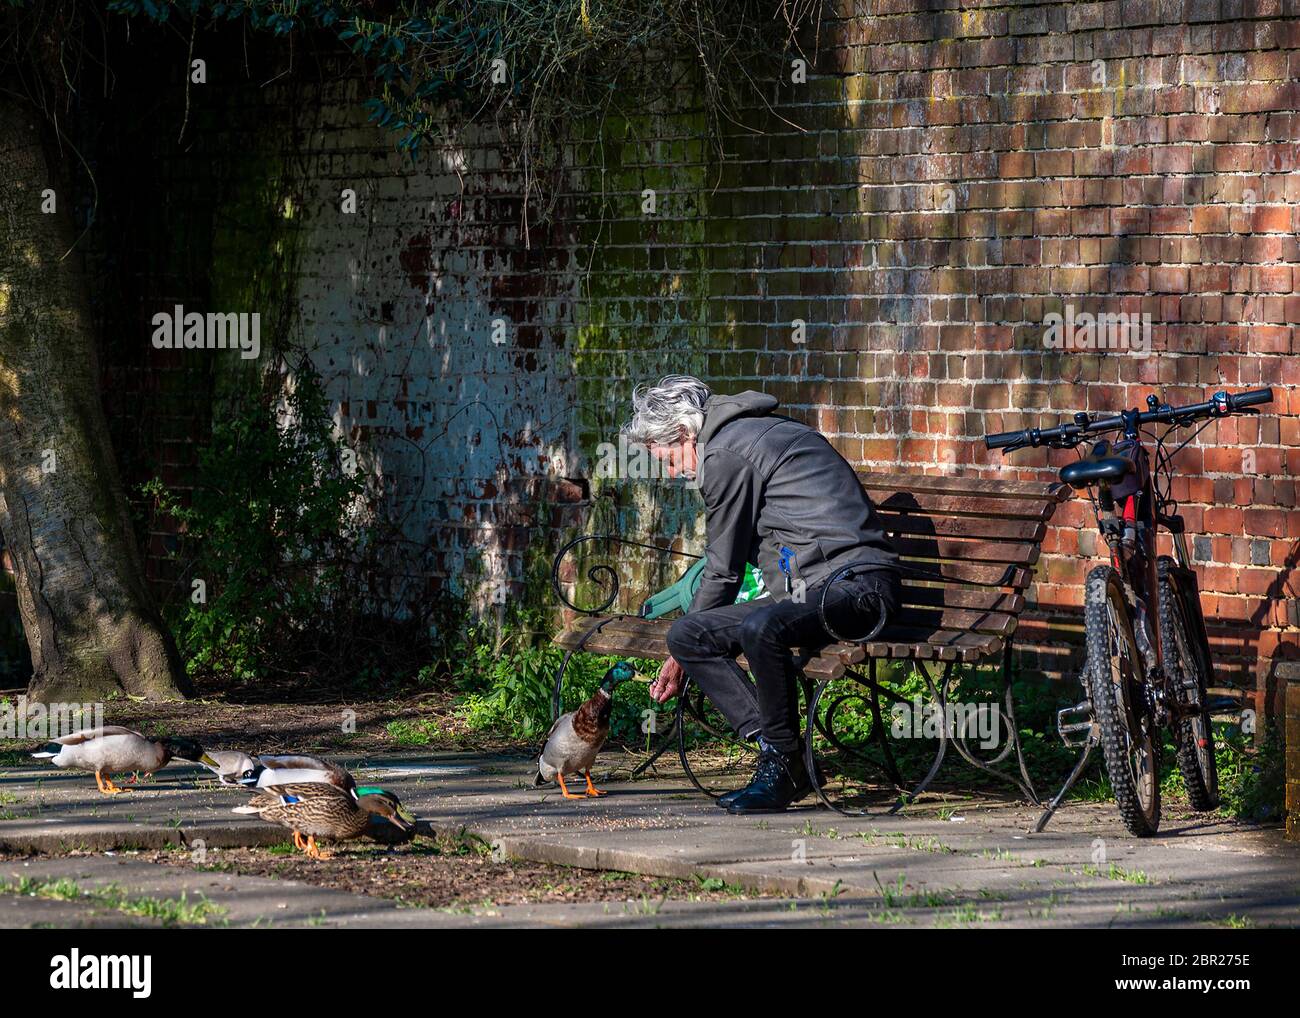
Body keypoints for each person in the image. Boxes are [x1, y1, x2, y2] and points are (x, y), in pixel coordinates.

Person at [621, 375, 901, 814]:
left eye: (668, 461)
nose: (674, 474)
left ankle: (783, 759)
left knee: (760, 627)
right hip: (812, 590)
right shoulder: (741, 435)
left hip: (858, 588)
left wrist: (673, 665)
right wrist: (679, 649)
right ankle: (784, 752)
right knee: (689, 635)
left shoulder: (726, 453)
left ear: (681, 434)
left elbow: (723, 570)